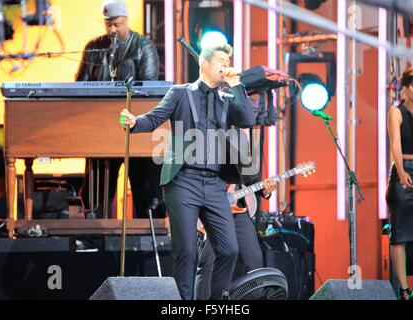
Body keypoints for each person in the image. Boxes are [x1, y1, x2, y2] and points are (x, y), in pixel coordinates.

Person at [120, 43, 256, 299]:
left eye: (228, 60)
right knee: (188, 252)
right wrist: (134, 122)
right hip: (183, 180)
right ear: (203, 63)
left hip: (215, 184)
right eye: (220, 60)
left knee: (229, 249)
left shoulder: (228, 99)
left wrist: (237, 85)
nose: (225, 65)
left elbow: (248, 119)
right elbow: (153, 118)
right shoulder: (181, 93)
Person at [75, 0, 165, 219]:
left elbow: (148, 88)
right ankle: (94, 233)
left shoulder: (143, 47)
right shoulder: (94, 48)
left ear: (126, 21)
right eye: (109, 25)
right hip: (102, 130)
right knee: (98, 188)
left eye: (117, 24)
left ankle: (148, 234)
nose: (112, 29)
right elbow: (80, 85)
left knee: (145, 185)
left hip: (137, 128)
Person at [386, 67, 413, 300]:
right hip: (404, 171)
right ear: (404, 88)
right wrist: (401, 171)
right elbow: (395, 145)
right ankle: (404, 289)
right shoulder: (396, 112)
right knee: (401, 234)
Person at [194, 177, 277, 300]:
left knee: (254, 259)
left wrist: (266, 191)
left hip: (238, 211)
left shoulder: (242, 157)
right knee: (208, 261)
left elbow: (250, 178)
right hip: (212, 208)